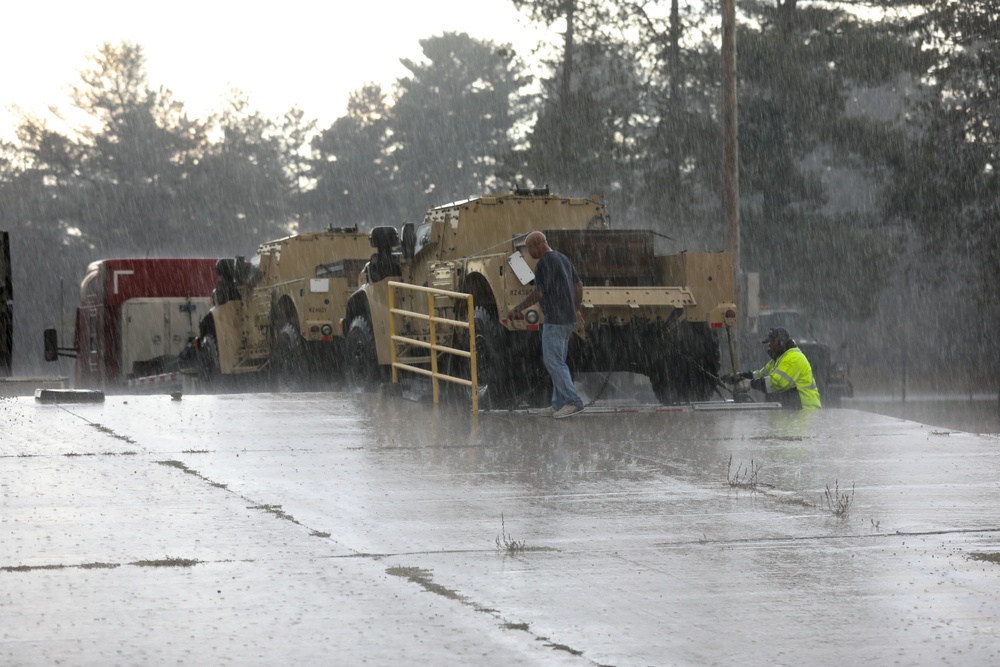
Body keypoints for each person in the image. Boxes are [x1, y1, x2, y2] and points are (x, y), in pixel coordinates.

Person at [507, 231, 586, 418]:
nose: (529, 252)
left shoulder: (543, 263)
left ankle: (572, 402)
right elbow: (579, 285)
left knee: (554, 362)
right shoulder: (563, 258)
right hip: (567, 320)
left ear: (537, 244)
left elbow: (538, 293)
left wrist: (518, 309)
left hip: (555, 320)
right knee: (557, 361)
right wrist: (576, 309)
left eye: (528, 248)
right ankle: (557, 404)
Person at [724, 327, 822, 409]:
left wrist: (750, 384)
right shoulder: (779, 359)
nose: (770, 345)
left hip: (806, 411)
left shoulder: (793, 358)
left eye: (772, 342)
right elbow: (760, 375)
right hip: (794, 412)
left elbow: (777, 383)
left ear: (782, 342)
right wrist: (740, 376)